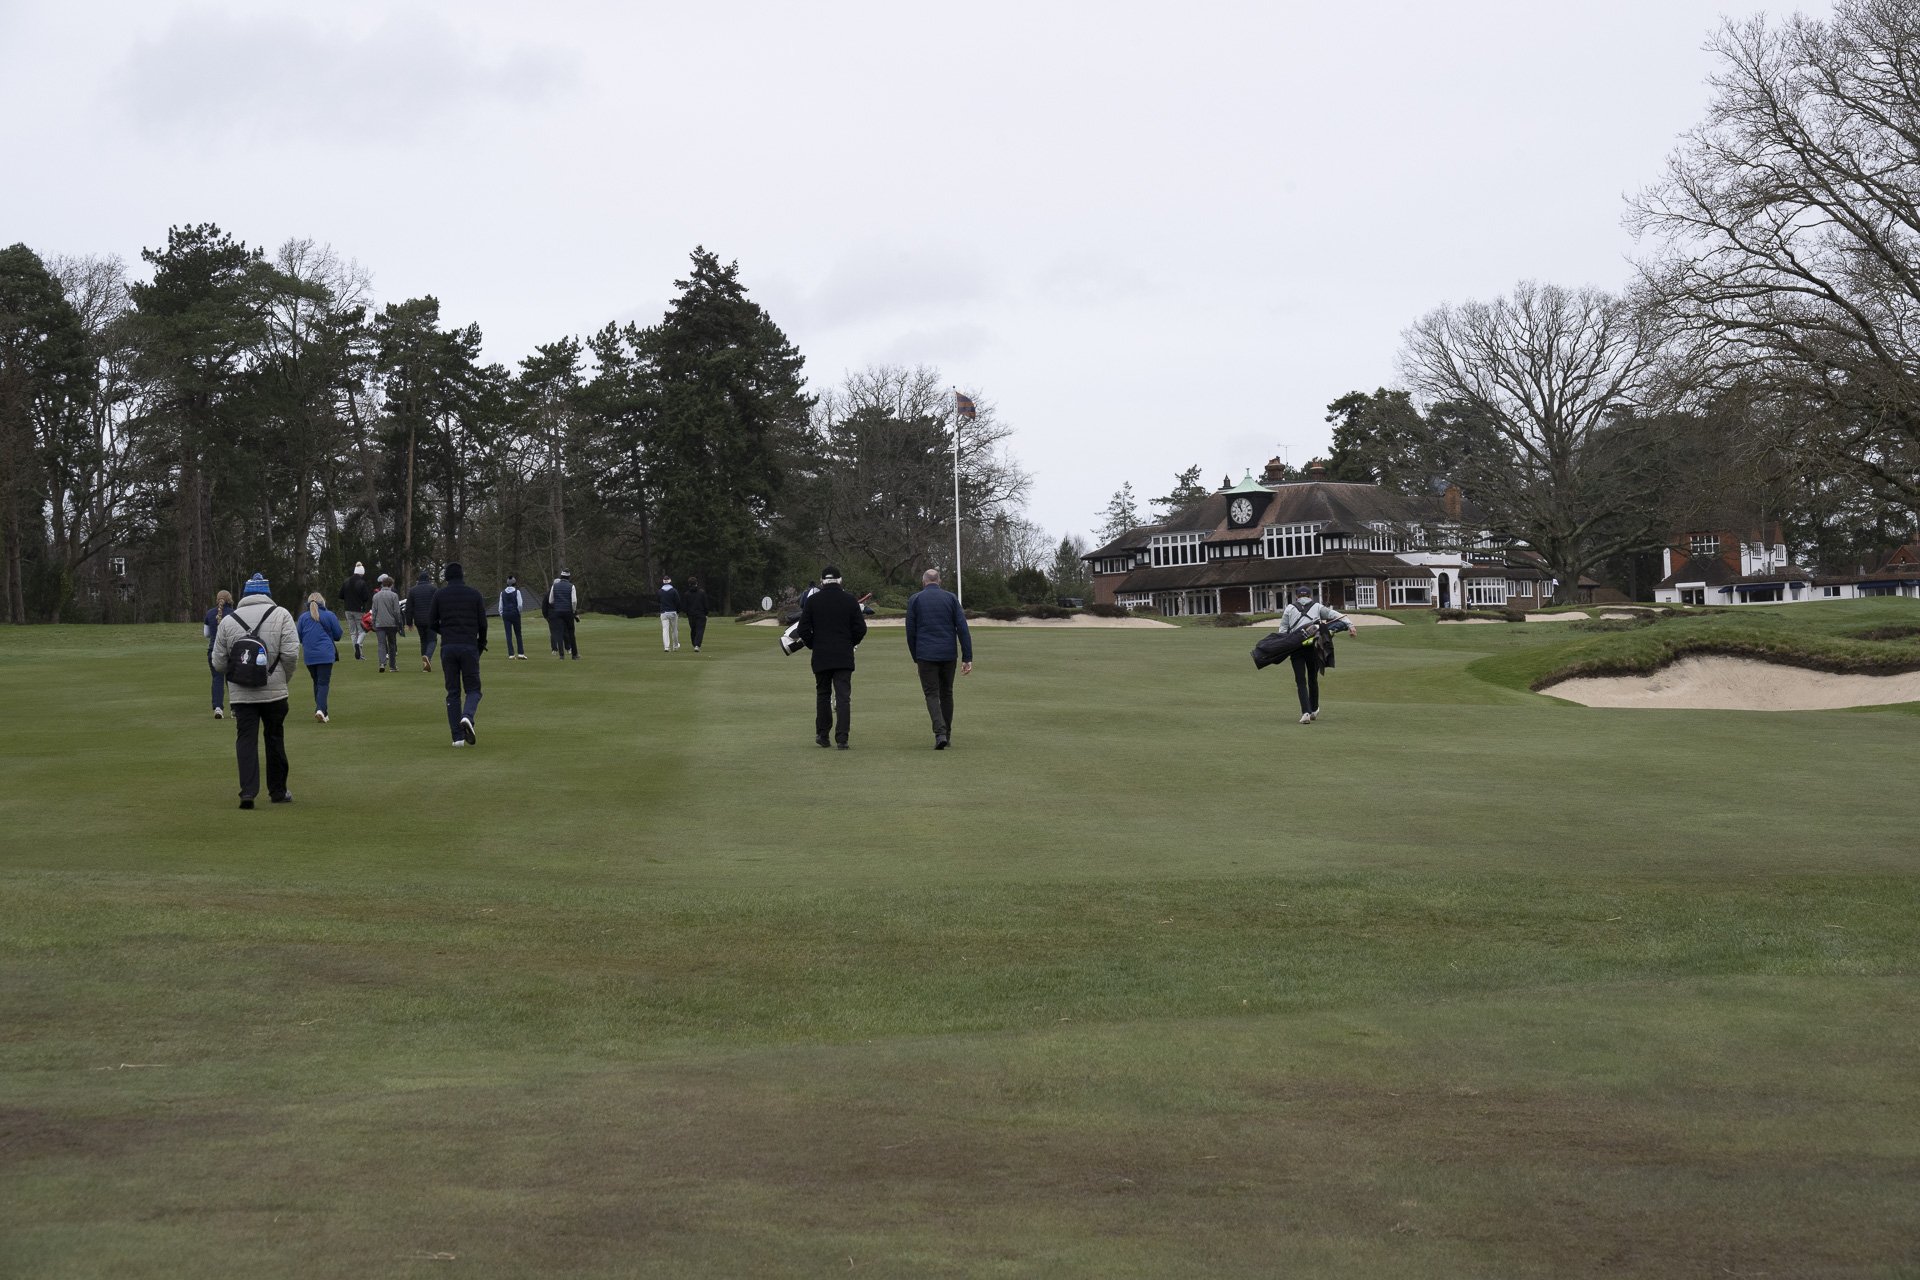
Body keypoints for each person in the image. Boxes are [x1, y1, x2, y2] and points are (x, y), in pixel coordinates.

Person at [210, 573, 301, 809]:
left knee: (246, 741)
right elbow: (291, 655)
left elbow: (218, 663)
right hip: (275, 691)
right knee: (274, 738)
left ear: (245, 595)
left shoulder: (229, 621)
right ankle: (278, 791)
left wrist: (236, 674)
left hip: (241, 694)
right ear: (267, 594)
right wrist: (283, 678)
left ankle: (248, 793)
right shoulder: (282, 615)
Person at [795, 564, 866, 749]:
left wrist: (813, 644)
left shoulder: (813, 601)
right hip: (843, 655)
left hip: (822, 654)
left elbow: (802, 629)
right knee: (843, 697)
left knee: (823, 694)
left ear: (822, 581)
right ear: (840, 580)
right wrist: (850, 643)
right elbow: (860, 629)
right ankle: (842, 739)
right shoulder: (850, 600)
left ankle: (823, 734)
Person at [904, 568, 973, 750]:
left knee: (932, 694)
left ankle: (940, 733)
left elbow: (910, 632)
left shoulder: (915, 599)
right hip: (948, 654)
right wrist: (967, 657)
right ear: (939, 581)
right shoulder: (951, 598)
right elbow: (962, 628)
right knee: (947, 693)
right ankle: (946, 734)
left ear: (923, 581)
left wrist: (915, 657)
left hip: (925, 654)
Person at [425, 561, 487, 747]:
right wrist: (481, 643)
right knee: (473, 689)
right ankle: (467, 716)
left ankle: (457, 737)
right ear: (462, 575)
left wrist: (446, 631)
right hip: (469, 645)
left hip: (448, 647)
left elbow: (431, 621)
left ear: (447, 577)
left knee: (452, 692)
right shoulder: (474, 594)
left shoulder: (440, 594)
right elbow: (483, 623)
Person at [1276, 586, 1353, 725]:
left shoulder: (1289, 608)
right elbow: (1335, 615)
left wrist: (1282, 646)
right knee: (1313, 678)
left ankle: (1305, 712)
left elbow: (1282, 630)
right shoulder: (1317, 607)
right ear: (1310, 596)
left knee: (1300, 681)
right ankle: (1314, 709)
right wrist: (1350, 625)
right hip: (1313, 647)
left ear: (1297, 597)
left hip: (1296, 647)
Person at [297, 592, 343, 723]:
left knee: (317, 682)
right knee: (323, 683)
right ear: (322, 602)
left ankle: (323, 712)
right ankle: (320, 709)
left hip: (309, 655)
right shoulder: (329, 615)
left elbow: (299, 637)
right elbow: (338, 634)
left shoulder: (303, 618)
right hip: (325, 654)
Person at [203, 589, 235, 719]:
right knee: (232, 680)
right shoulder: (234, 614)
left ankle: (218, 708)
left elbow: (206, 634)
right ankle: (235, 709)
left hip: (214, 651)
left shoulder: (210, 613)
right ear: (229, 600)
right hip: (230, 652)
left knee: (217, 679)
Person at [338, 561, 372, 660]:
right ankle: (359, 646)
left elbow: (340, 595)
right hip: (358, 609)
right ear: (362, 573)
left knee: (353, 632)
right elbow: (366, 597)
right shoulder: (362, 583)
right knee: (362, 630)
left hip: (348, 609)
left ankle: (358, 654)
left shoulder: (346, 581)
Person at [406, 569, 439, 672]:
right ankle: (428, 657)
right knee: (432, 640)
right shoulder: (433, 589)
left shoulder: (413, 590)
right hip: (432, 619)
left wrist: (409, 623)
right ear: (428, 579)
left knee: (423, 641)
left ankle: (425, 664)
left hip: (419, 620)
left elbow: (409, 608)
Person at [370, 573, 404, 672]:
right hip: (392, 624)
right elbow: (397, 612)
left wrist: (373, 622)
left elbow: (374, 611)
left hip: (379, 623)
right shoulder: (394, 595)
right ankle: (392, 666)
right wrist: (399, 623)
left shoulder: (376, 596)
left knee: (381, 644)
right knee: (392, 645)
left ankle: (382, 663)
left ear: (382, 584)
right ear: (391, 585)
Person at [547, 569, 579, 659]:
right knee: (571, 633)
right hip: (568, 612)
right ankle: (574, 655)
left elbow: (550, 600)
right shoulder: (571, 586)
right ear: (568, 577)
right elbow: (574, 601)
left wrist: (557, 605)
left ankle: (561, 655)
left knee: (559, 633)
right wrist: (573, 610)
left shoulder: (555, 586)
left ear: (561, 576)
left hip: (557, 612)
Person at [498, 574, 529, 660]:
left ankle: (511, 654)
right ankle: (520, 653)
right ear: (515, 583)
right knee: (518, 634)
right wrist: (519, 612)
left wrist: (503, 614)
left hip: (506, 614)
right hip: (515, 614)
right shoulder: (517, 592)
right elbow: (520, 604)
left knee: (508, 634)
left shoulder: (502, 593)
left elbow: (500, 607)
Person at [683, 576, 710, 653]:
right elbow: (706, 604)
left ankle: (694, 644)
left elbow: (685, 606)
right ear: (696, 583)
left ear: (689, 584)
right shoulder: (702, 593)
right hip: (701, 614)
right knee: (700, 630)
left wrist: (687, 613)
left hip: (691, 615)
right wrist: (706, 613)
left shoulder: (686, 594)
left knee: (693, 630)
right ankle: (697, 645)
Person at [657, 574, 681, 652]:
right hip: (673, 612)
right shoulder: (674, 590)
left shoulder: (660, 591)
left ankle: (666, 647)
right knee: (674, 630)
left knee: (665, 630)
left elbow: (658, 601)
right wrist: (678, 611)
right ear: (670, 581)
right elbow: (678, 602)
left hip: (663, 613)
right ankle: (676, 646)